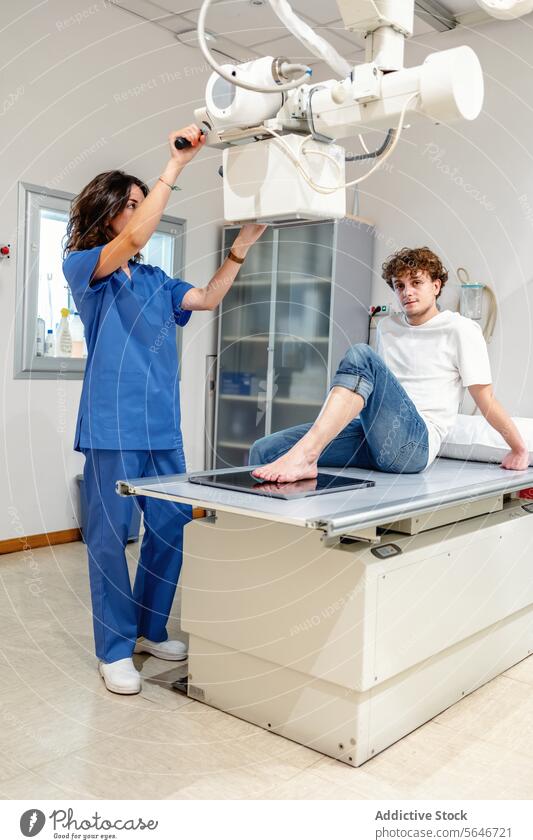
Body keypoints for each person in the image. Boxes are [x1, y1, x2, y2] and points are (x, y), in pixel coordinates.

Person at [63, 125, 265, 694]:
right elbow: (127, 245)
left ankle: (151, 628)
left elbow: (206, 297)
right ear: (110, 217)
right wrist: (174, 167)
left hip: (161, 428)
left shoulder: (155, 279)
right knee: (109, 536)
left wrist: (239, 249)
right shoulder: (86, 268)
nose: (142, 212)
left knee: (171, 525)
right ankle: (114, 647)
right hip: (111, 426)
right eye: (133, 205)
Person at [250, 246, 529, 482]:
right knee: (265, 450)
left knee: (361, 355)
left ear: (436, 285)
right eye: (400, 286)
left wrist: (518, 448)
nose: (407, 292)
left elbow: (486, 399)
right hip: (371, 435)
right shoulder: (388, 327)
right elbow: (370, 395)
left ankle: (306, 456)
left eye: (416, 283)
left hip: (412, 445)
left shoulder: (461, 330)